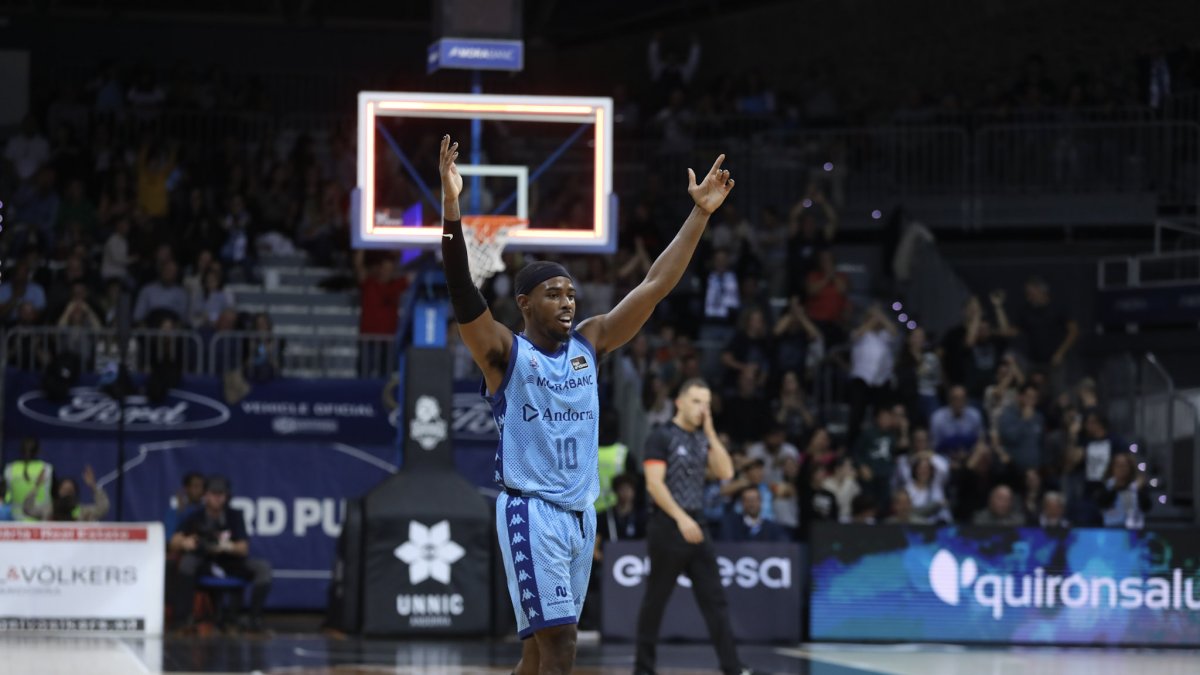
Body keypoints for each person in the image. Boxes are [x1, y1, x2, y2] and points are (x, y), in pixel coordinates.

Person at [437, 135, 735, 675]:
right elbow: (463, 293)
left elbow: (654, 286)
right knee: (564, 646)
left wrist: (699, 215)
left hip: (580, 518)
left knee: (539, 654)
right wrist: (451, 208)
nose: (568, 302)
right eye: (554, 293)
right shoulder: (505, 353)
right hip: (532, 511)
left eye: (571, 293)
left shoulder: (590, 343)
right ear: (525, 303)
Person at [637, 379, 763, 675]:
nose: (702, 408)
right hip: (669, 525)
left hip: (698, 524)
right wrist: (681, 519)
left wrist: (710, 431)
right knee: (656, 600)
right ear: (680, 402)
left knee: (715, 601)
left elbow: (726, 472)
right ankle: (643, 669)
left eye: (706, 403)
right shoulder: (661, 436)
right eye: (696, 401)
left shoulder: (702, 438)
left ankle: (732, 667)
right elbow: (654, 484)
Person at [169, 476, 272, 632]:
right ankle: (184, 620)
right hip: (204, 561)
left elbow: (243, 548)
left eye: (221, 494)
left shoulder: (234, 516)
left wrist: (227, 546)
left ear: (226, 496)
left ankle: (254, 621)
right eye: (213, 494)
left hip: (229, 561)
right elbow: (174, 541)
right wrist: (185, 542)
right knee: (186, 563)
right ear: (206, 496)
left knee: (263, 568)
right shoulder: (196, 516)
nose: (217, 498)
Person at [23, 465, 109, 521]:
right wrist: (37, 486)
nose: (67, 493)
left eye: (70, 490)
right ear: (58, 492)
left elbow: (103, 508)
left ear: (75, 493)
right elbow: (28, 509)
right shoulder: (48, 509)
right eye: (64, 490)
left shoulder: (83, 512)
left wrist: (93, 486)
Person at [4, 437, 52, 521]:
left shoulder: (10, 469)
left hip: (16, 520)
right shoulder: (46, 468)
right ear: (38, 451)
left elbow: (6, 496)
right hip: (40, 519)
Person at [722, 486, 787, 542]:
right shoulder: (732, 526)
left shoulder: (772, 527)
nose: (751, 504)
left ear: (760, 502)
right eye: (748, 500)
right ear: (742, 503)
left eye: (754, 500)